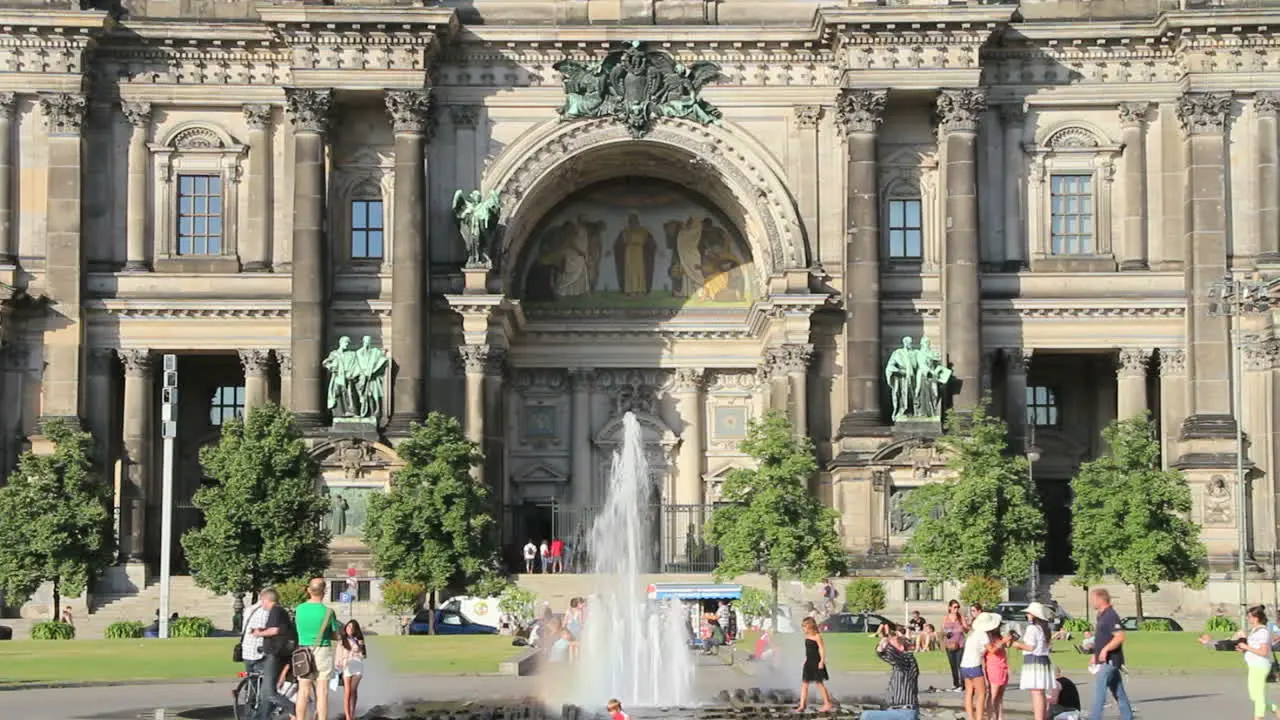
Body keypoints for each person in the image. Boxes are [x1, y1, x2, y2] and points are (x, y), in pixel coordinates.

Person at [294, 577, 341, 720]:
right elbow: (336, 635)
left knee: (303, 691)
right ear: (325, 591)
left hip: (303, 651)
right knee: (322, 691)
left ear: (309, 590)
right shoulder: (328, 612)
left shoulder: (299, 609)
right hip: (322, 650)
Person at [248, 589, 295, 720]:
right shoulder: (281, 612)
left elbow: (275, 630)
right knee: (265, 692)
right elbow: (279, 629)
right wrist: (263, 630)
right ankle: (262, 717)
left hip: (275, 654)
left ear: (267, 600)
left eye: (262, 601)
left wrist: (259, 634)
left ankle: (295, 709)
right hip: (276, 653)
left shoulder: (275, 610)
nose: (262, 604)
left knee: (269, 692)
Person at [1087, 589, 1134, 720]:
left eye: (1093, 599)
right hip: (1103, 660)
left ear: (1100, 599)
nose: (1091, 602)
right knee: (1119, 692)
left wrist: (1105, 650)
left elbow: (1119, 637)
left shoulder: (1111, 615)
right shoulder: (1101, 615)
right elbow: (1102, 638)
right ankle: (1128, 717)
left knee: (1099, 693)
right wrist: (1094, 655)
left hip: (1110, 661)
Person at [862, 622, 920, 720]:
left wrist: (886, 645)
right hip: (895, 711)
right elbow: (885, 655)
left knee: (866, 716)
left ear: (901, 648)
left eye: (892, 645)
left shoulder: (908, 660)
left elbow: (892, 654)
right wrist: (880, 647)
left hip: (905, 712)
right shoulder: (898, 664)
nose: (889, 646)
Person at [1013, 602, 1055, 720]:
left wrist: (1017, 644)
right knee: (1040, 693)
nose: (1027, 614)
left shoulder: (1032, 628)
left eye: (1029, 613)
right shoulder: (1043, 628)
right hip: (1043, 660)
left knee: (1036, 693)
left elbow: (1030, 647)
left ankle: (1038, 718)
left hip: (1034, 660)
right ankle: (1041, 717)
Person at [960, 612, 1001, 720]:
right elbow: (991, 650)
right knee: (982, 693)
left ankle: (970, 717)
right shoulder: (983, 634)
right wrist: (1003, 641)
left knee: (969, 692)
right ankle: (979, 718)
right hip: (974, 666)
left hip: (964, 665)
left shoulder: (973, 633)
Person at [796, 616, 836, 712]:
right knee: (805, 683)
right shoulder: (807, 637)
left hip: (816, 662)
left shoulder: (817, 636)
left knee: (819, 683)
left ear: (810, 627)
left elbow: (821, 649)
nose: (803, 629)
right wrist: (805, 659)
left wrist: (822, 661)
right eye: (803, 627)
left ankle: (827, 703)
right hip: (808, 662)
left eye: (805, 627)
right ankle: (802, 705)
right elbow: (808, 651)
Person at [334, 619, 367, 720]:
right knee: (347, 691)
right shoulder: (342, 640)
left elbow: (364, 655)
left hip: (357, 665)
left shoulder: (358, 639)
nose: (350, 629)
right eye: (348, 627)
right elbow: (338, 654)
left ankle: (352, 713)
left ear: (355, 629)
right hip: (346, 665)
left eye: (352, 627)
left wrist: (361, 646)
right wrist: (338, 664)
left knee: (353, 690)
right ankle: (348, 716)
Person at [984, 626, 1013, 720]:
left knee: (1000, 696)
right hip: (994, 667)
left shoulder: (999, 636)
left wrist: (1009, 639)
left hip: (1003, 666)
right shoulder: (987, 637)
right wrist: (1003, 641)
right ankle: (990, 717)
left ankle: (999, 717)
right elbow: (992, 649)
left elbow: (1006, 645)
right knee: (993, 695)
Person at [942, 599, 969, 692]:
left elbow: (966, 630)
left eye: (958, 607)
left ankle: (962, 684)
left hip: (960, 644)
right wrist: (947, 633)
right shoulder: (946, 618)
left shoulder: (961, 617)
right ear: (950, 607)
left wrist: (963, 627)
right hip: (949, 644)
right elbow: (943, 630)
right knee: (953, 665)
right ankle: (956, 683)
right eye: (954, 607)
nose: (956, 609)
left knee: (960, 664)